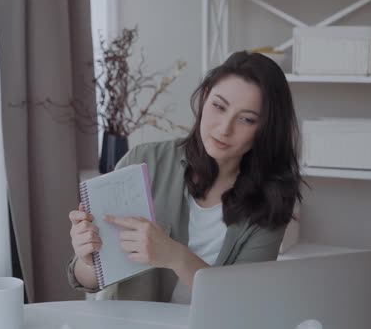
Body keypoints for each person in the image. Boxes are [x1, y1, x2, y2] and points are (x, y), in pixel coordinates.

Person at [67, 51, 303, 303]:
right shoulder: (144, 162)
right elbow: (86, 280)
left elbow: (241, 303)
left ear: (265, 129)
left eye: (246, 119)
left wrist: (175, 256)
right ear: (204, 97)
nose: (224, 129)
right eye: (218, 106)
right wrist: (87, 260)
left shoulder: (272, 199)